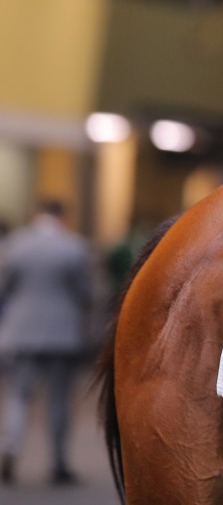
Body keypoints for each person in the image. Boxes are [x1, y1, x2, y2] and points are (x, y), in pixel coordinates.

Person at [0, 200, 94, 486]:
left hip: (21, 329)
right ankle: (58, 462)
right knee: (60, 400)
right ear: (61, 216)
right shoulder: (74, 246)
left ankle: (11, 447)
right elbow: (85, 293)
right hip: (61, 332)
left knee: (19, 394)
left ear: (36, 214)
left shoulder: (16, 244)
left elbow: (4, 287)